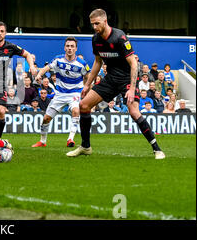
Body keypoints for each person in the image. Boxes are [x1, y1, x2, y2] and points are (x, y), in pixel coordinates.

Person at [68, 9, 165, 159]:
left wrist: (132, 88)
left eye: (97, 24)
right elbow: (98, 62)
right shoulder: (96, 39)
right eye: (92, 24)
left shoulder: (119, 37)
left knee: (133, 112)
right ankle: (85, 147)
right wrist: (87, 85)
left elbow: (134, 64)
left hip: (127, 79)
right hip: (110, 79)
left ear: (105, 21)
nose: (94, 27)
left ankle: (157, 149)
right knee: (84, 106)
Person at [32, 37, 90, 148]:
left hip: (75, 93)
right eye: (68, 46)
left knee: (76, 110)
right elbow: (47, 68)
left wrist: (87, 87)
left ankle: (70, 139)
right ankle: (42, 142)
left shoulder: (81, 63)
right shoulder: (58, 60)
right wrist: (39, 75)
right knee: (46, 119)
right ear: (64, 47)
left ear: (76, 49)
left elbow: (88, 76)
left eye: (72, 46)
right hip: (60, 94)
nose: (70, 48)